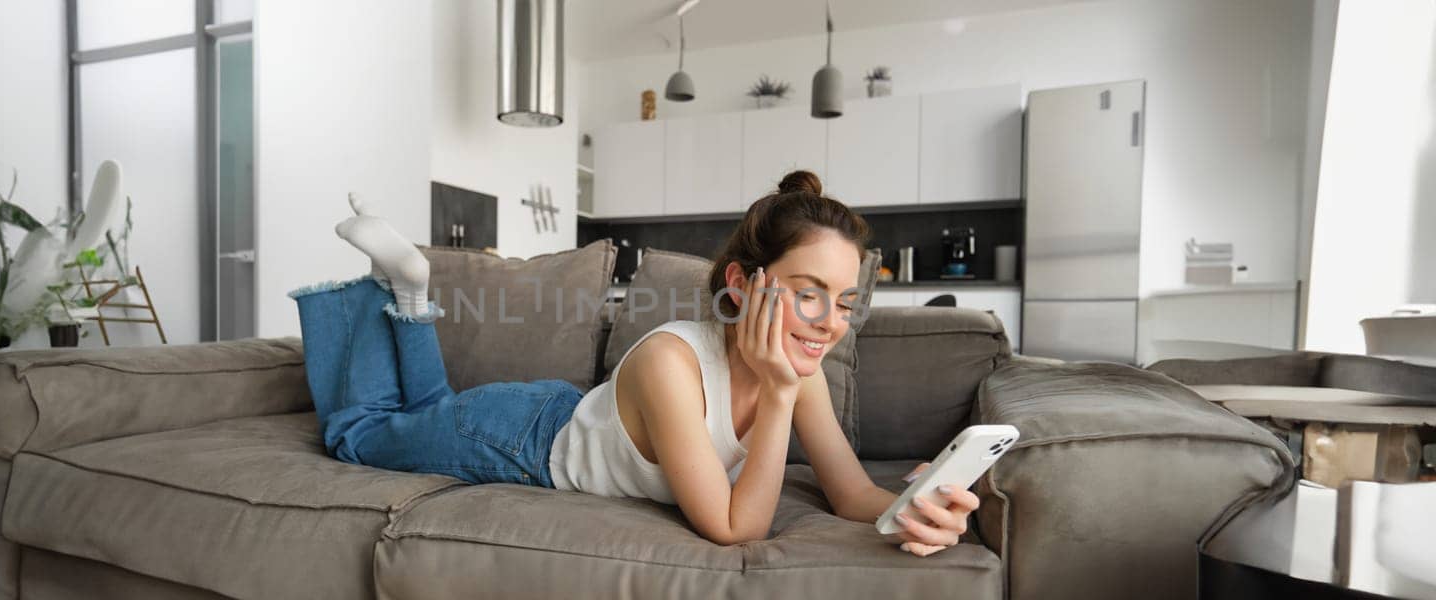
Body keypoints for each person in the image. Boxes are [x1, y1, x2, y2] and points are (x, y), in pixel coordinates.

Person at [290, 171, 979, 555]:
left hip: (560, 417)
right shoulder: (671, 363)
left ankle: (413, 291)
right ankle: (401, 288)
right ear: (742, 286)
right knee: (359, 436)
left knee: (421, 414)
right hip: (522, 439)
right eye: (808, 295)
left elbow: (852, 493)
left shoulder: (798, 376)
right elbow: (737, 528)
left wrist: (917, 506)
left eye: (844, 302)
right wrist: (776, 393)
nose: (831, 323)